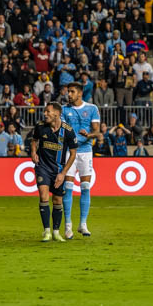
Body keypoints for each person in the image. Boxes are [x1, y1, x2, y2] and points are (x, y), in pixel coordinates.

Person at [31, 102, 78, 242]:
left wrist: (63, 173)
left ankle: (56, 232)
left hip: (58, 170)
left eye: (48, 112)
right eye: (45, 111)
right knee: (43, 195)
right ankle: (46, 232)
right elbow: (34, 141)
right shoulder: (40, 127)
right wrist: (33, 152)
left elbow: (73, 153)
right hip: (42, 167)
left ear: (56, 114)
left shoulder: (68, 130)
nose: (45, 114)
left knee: (58, 200)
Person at [60, 82, 101, 238]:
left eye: (71, 92)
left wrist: (89, 135)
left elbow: (97, 131)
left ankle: (83, 224)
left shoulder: (91, 108)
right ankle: (68, 225)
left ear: (79, 93)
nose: (68, 94)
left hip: (85, 152)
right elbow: (61, 128)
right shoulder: (64, 110)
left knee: (85, 186)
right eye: (68, 91)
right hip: (70, 152)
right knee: (68, 186)